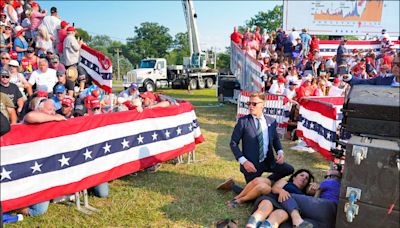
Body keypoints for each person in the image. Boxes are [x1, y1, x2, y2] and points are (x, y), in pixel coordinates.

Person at [228, 92, 294, 185]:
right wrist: (244, 161)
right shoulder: (243, 122)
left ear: (263, 105)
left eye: (254, 104)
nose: (250, 106)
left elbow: (275, 139)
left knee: (289, 169)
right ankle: (232, 186)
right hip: (251, 165)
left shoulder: (271, 121)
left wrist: (280, 152)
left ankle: (267, 182)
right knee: (255, 194)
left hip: (268, 161)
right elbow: (233, 143)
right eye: (249, 103)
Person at [20, 98, 66, 216]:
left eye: (54, 110)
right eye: (49, 109)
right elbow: (30, 116)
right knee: (38, 211)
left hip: (46, 165)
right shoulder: (32, 117)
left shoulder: (51, 122)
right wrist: (54, 118)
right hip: (29, 167)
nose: (53, 112)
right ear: (39, 109)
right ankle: (14, 207)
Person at [246, 169, 315, 228]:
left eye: (306, 178)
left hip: (286, 209)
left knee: (279, 215)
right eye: (302, 175)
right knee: (266, 206)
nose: (304, 178)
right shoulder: (285, 182)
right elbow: (274, 188)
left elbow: (314, 202)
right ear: (294, 177)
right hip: (273, 199)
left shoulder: (303, 195)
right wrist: (281, 191)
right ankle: (251, 225)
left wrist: (316, 190)